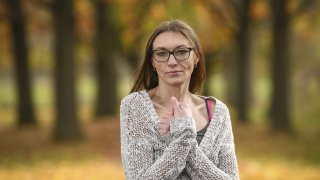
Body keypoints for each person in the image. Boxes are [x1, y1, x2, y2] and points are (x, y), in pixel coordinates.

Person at [120, 20, 239, 180]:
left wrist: (183, 133)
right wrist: (184, 138)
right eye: (162, 53)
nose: (172, 62)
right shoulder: (135, 106)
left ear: (196, 57)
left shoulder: (218, 112)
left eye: (182, 51)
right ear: (153, 62)